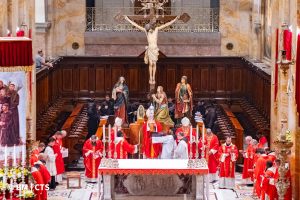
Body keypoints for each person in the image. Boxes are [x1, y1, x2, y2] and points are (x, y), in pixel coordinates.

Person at [124, 15, 180, 84]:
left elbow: (166, 25)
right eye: (148, 29)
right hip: (150, 49)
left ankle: (153, 77)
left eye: (149, 28)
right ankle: (150, 77)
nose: (149, 29)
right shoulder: (146, 31)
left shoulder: (156, 29)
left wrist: (175, 19)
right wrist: (127, 19)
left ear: (151, 27)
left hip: (155, 49)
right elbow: (136, 25)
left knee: (154, 64)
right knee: (151, 64)